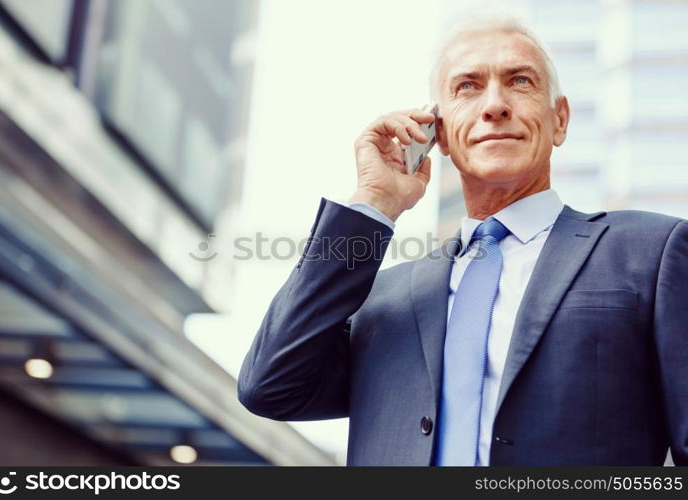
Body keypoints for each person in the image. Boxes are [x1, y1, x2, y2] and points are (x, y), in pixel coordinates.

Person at [237, 14, 688, 466]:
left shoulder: (652, 252)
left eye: (520, 81)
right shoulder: (382, 299)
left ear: (560, 120)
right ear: (440, 133)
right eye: (467, 87)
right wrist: (375, 201)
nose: (494, 105)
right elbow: (270, 387)